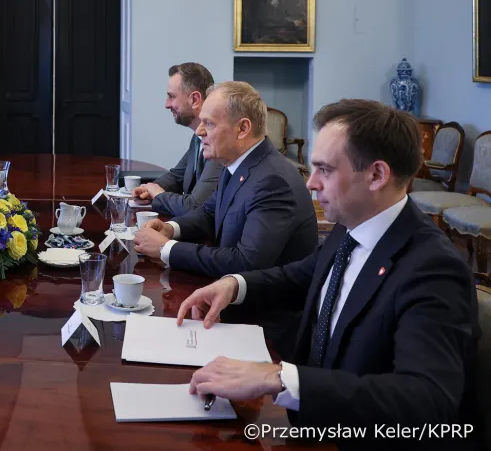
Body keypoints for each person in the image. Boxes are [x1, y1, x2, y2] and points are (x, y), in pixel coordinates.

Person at [176, 100, 480, 443]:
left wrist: (278, 378)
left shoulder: (434, 269)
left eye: (325, 170)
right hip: (311, 425)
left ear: (377, 175)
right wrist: (234, 285)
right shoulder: (352, 224)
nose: (311, 184)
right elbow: (304, 276)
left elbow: (427, 399)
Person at [134, 81, 316, 278]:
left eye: (209, 123)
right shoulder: (239, 162)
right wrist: (170, 228)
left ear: (243, 128)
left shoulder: (272, 181)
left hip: (262, 306)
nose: (199, 131)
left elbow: (245, 262)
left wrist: (166, 249)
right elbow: (210, 213)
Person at [133, 63, 223, 217]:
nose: (166, 105)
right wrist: (151, 187)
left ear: (195, 99)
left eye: (172, 96)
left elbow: (194, 206)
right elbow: (177, 176)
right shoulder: (197, 138)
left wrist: (159, 196)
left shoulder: (218, 144)